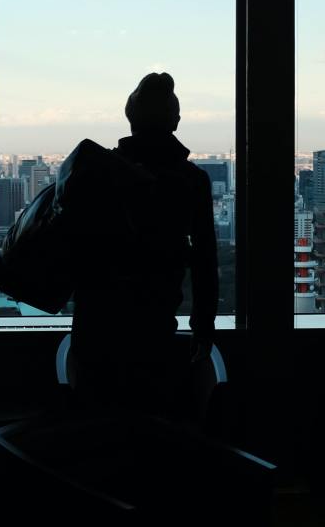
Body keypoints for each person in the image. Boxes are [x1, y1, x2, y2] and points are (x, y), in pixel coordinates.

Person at [68, 72, 219, 415]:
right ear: (175, 122)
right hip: (154, 314)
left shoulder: (98, 170)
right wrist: (203, 325)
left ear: (130, 119)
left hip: (94, 315)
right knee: (148, 418)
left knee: (95, 417)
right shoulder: (190, 180)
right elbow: (205, 257)